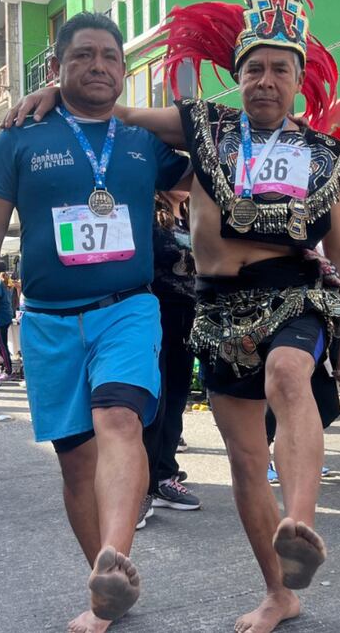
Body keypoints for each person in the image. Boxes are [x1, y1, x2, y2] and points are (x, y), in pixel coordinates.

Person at [3, 0, 340, 629]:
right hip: (219, 308)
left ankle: (301, 527)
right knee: (246, 462)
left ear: (299, 79)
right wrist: (57, 89)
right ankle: (280, 593)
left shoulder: (325, 157)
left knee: (289, 376)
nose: (265, 80)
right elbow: (114, 113)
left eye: (280, 68)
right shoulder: (205, 128)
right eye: (253, 67)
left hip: (294, 290)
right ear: (237, 76)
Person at [0, 12, 190, 632]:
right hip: (48, 322)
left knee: (119, 420)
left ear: (123, 69)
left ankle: (116, 560)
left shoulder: (142, 140)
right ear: (57, 66)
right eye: (82, 55)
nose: (98, 66)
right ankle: (105, 584)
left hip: (128, 308)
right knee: (75, 463)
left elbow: (214, 161)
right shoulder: (19, 136)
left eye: (110, 57)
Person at [144, 189, 201, 516]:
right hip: (157, 313)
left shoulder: (194, 213)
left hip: (190, 315)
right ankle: (152, 479)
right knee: (158, 398)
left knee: (178, 396)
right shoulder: (150, 214)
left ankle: (165, 470)